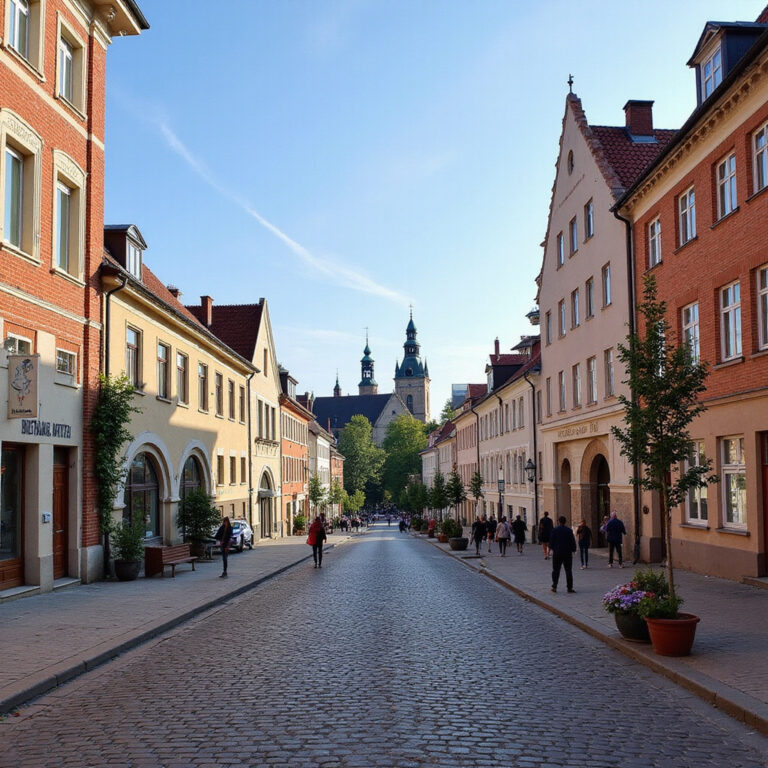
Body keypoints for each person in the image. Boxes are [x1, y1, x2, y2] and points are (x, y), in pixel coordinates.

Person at [549, 516, 577, 593]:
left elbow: (551, 541)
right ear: (565, 522)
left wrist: (551, 548)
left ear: (558, 521)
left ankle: (554, 586)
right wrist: (574, 549)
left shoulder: (555, 530)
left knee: (556, 570)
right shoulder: (569, 530)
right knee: (568, 570)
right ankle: (569, 588)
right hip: (567, 553)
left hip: (557, 552)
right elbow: (572, 540)